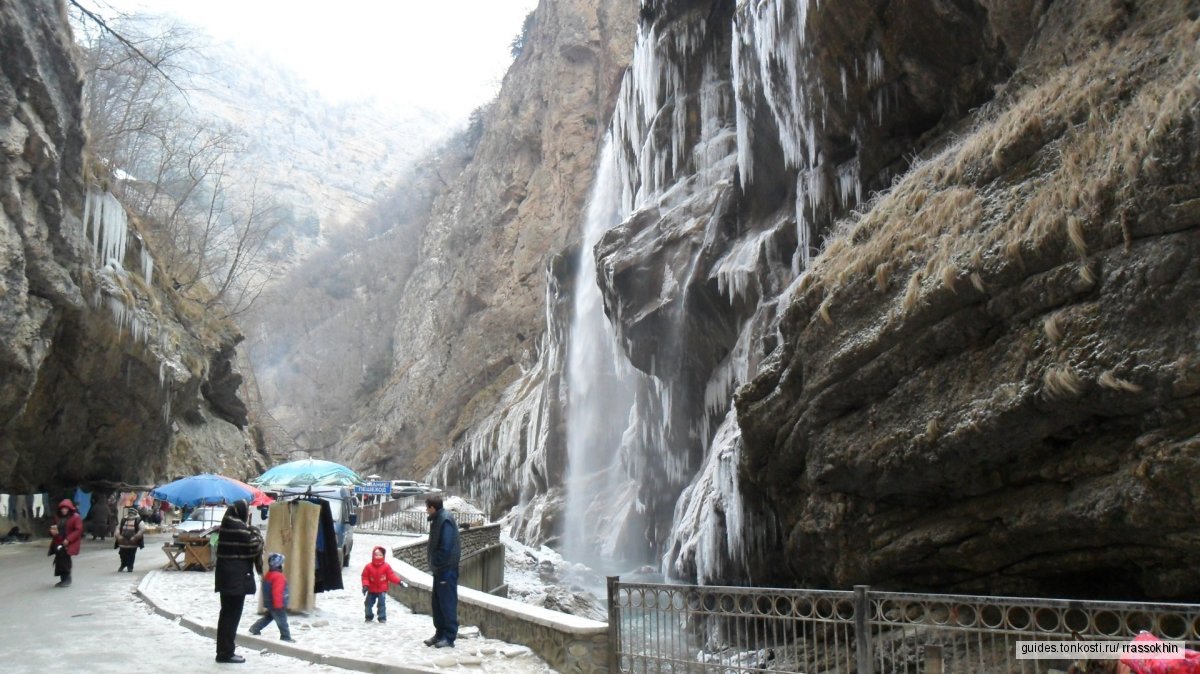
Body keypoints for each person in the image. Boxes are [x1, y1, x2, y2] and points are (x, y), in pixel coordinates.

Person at [214, 500, 263, 664]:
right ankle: (226, 653)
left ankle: (223, 650)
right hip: (235, 579)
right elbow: (254, 546)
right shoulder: (239, 528)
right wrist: (255, 530)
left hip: (226, 578)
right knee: (231, 616)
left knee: (226, 614)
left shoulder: (227, 526)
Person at [424, 494, 460, 649]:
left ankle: (449, 637)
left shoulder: (444, 520)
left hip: (446, 569)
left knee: (447, 603)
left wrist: (436, 561)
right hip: (440, 569)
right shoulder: (438, 519)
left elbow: (445, 546)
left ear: (433, 507)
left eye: (427, 508)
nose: (426, 511)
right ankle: (440, 633)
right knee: (437, 603)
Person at [248, 552, 293, 642]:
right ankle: (286, 637)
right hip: (277, 604)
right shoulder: (278, 577)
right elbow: (277, 592)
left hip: (270, 603)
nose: (283, 565)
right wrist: (278, 604)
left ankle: (255, 628)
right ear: (278, 565)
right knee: (282, 621)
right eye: (282, 563)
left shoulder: (269, 575)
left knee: (268, 617)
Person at [361, 545, 406, 623]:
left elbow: (391, 576)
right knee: (368, 604)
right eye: (376, 555)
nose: (378, 556)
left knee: (381, 604)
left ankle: (382, 617)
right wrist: (365, 585)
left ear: (383, 556)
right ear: (373, 555)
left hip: (382, 589)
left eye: (380, 555)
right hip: (371, 589)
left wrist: (399, 582)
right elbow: (365, 577)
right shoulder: (368, 567)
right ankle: (369, 616)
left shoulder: (386, 567)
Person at [48, 498, 83, 587]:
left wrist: (68, 539)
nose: (64, 510)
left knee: (65, 560)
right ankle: (63, 579)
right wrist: (52, 532)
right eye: (62, 508)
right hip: (58, 541)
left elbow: (78, 530)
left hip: (69, 543)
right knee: (59, 560)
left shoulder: (76, 517)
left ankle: (67, 579)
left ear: (69, 509)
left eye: (66, 508)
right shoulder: (57, 517)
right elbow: (53, 527)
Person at [114, 507, 145, 572]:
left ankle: (130, 566)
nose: (130, 514)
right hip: (122, 542)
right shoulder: (124, 520)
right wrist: (118, 536)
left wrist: (135, 537)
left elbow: (141, 530)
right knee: (122, 554)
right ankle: (123, 564)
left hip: (133, 542)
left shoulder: (139, 520)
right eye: (129, 513)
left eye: (132, 513)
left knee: (131, 555)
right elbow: (118, 528)